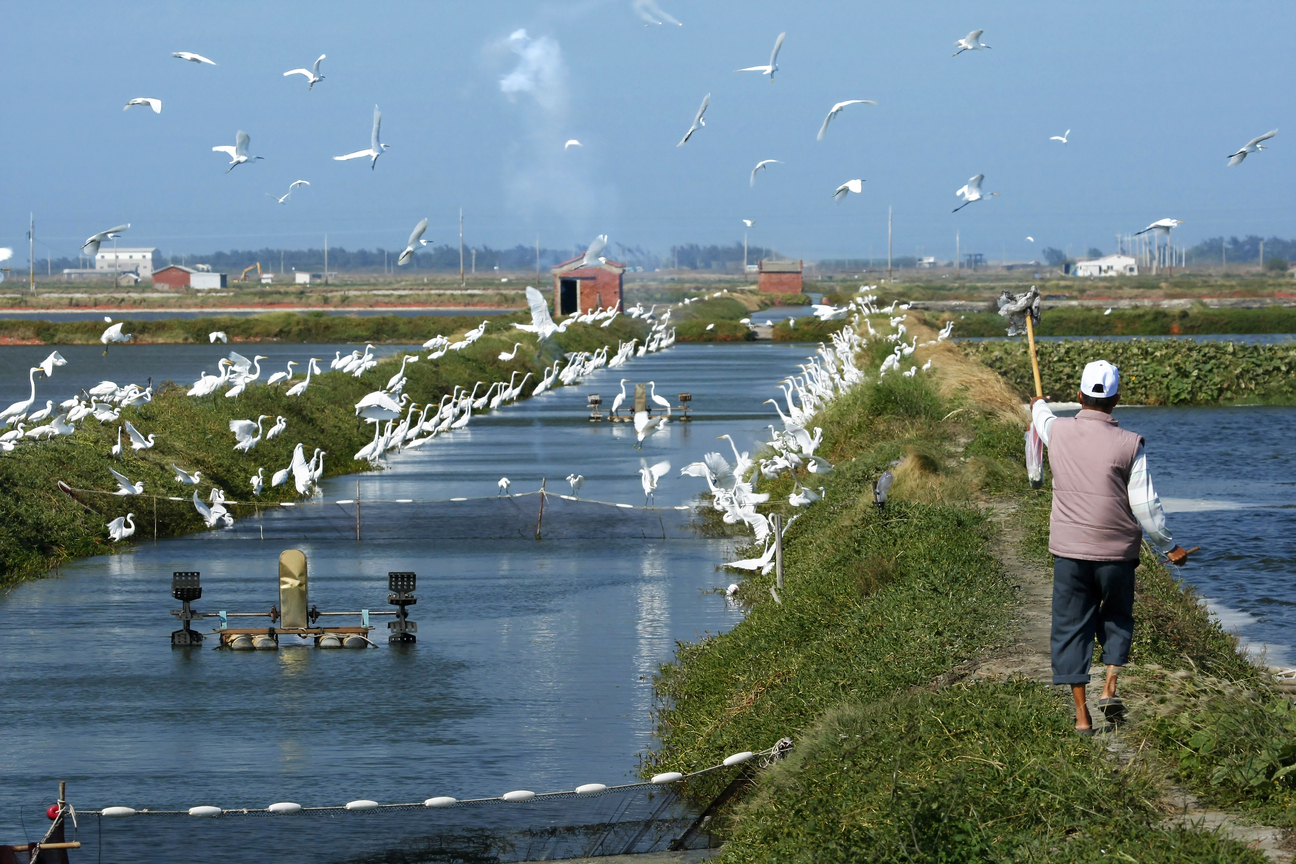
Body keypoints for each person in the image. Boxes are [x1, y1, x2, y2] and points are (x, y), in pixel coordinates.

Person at [1030, 359, 1190, 735]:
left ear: (1079, 396)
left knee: (1071, 627)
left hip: (1069, 551)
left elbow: (1041, 417)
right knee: (1118, 617)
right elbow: (1146, 506)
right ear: (1117, 399)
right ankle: (1110, 686)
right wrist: (1169, 546)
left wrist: (1038, 402)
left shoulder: (1058, 431)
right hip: (1117, 553)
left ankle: (1082, 716)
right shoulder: (1129, 443)